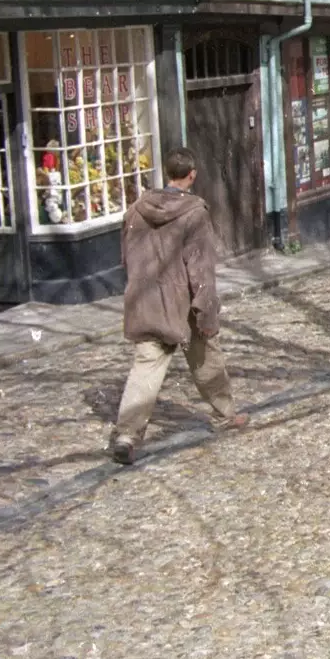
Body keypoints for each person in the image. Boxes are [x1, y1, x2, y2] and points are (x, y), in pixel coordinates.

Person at [109, 147, 245, 464]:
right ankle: (224, 415)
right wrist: (206, 312)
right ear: (192, 175)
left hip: (146, 301)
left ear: (167, 173)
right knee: (207, 359)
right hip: (182, 304)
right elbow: (201, 271)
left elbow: (126, 257)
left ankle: (127, 435)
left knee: (146, 369)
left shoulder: (137, 210)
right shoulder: (194, 215)